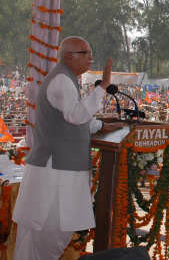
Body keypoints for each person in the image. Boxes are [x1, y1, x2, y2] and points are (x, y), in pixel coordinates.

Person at [12, 36, 121, 260]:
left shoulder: (67, 78)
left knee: (52, 232)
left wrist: (103, 125)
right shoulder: (62, 80)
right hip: (55, 170)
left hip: (61, 169)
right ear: (69, 56)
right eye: (86, 53)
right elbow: (76, 115)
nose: (91, 58)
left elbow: (77, 119)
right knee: (49, 229)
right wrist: (103, 86)